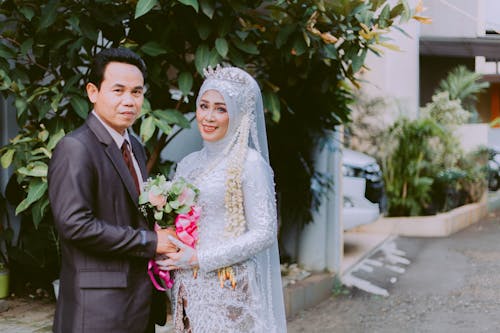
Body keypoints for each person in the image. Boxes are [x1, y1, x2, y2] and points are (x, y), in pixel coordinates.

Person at [48, 47, 174, 333]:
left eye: (137, 92)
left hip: (137, 302)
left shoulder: (136, 148)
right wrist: (152, 242)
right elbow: (75, 225)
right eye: (118, 90)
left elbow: (128, 212)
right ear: (93, 92)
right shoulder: (76, 148)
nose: (129, 101)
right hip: (98, 308)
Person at [157, 65, 287, 332]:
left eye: (221, 108)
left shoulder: (250, 164)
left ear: (238, 114)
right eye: (203, 106)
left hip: (228, 287)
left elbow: (265, 231)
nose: (209, 116)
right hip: (187, 287)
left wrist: (201, 258)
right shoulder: (187, 164)